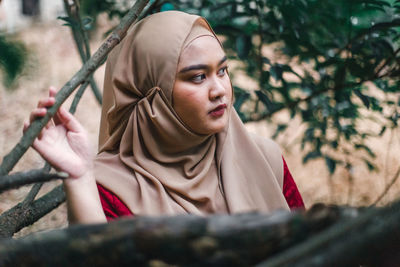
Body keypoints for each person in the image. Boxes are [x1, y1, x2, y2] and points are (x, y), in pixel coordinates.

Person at [25, 11, 304, 224]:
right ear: (150, 94)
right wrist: (79, 179)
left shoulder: (265, 160)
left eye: (222, 70)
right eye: (197, 77)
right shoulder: (113, 189)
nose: (220, 90)